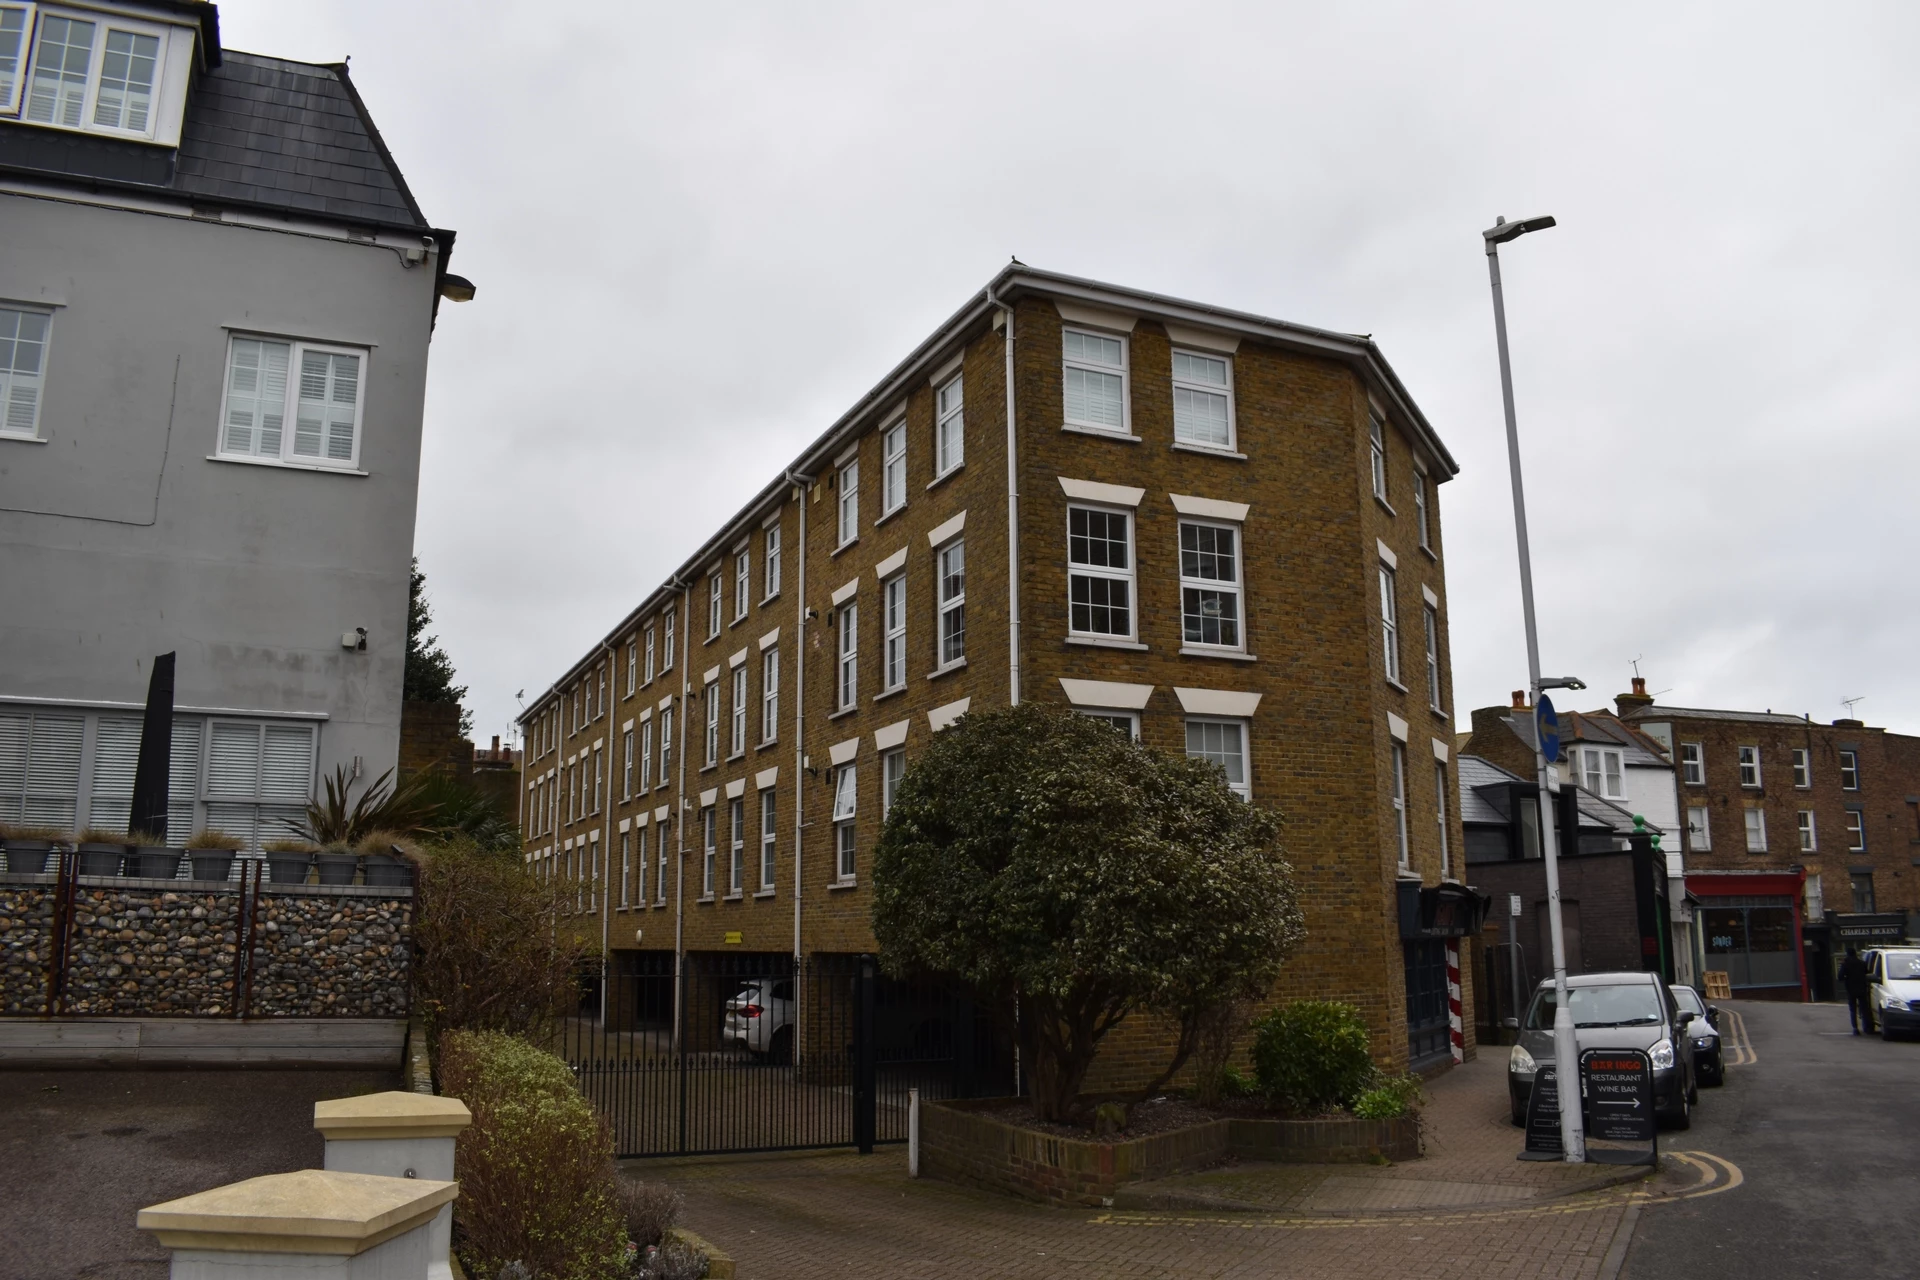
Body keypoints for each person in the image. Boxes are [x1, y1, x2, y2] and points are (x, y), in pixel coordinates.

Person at [1838, 945, 1874, 1035]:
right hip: (1862, 988)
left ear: (1847, 954)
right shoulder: (1862, 963)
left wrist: (1846, 978)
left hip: (1851, 989)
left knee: (1853, 1010)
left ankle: (1855, 1028)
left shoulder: (1846, 964)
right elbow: (1867, 973)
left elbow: (1840, 977)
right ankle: (1867, 1028)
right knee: (1864, 1009)